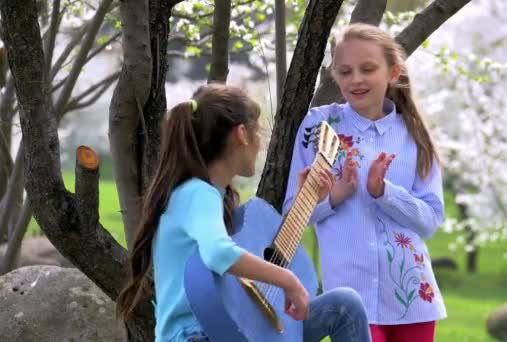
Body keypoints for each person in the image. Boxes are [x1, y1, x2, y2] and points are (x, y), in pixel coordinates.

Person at [115, 84, 372, 342]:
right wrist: (288, 280)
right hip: (196, 336)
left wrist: (306, 201)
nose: (260, 144)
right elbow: (219, 252)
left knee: (344, 306)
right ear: (242, 134)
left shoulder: (215, 197)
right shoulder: (197, 193)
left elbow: (248, 260)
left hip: (230, 328)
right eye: (258, 131)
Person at [283, 23, 447, 342]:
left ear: (393, 72)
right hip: (350, 303)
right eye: (345, 72)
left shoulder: (415, 135)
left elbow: (429, 221)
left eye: (367, 69)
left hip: (413, 299)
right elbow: (292, 213)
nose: (356, 79)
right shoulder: (319, 127)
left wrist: (383, 193)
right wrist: (333, 198)